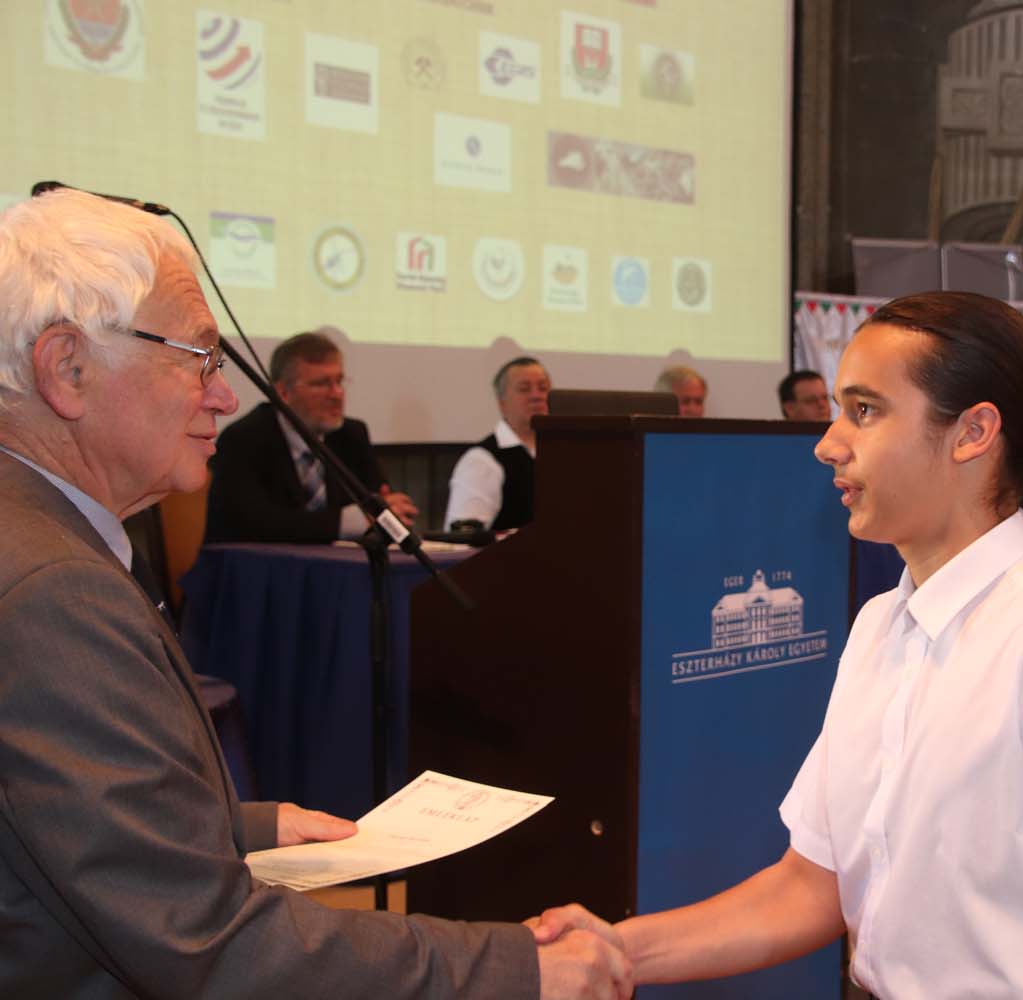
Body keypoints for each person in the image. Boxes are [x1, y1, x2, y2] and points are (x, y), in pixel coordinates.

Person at [0, 189, 629, 999]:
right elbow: (204, 942)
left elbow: (61, 820)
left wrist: (244, 826)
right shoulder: (55, 592)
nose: (225, 395)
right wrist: (515, 969)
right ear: (68, 368)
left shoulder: (42, 539)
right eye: (199, 358)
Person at [536, 291, 1023, 998]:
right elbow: (810, 885)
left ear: (973, 433)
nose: (828, 443)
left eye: (864, 411)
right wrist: (616, 951)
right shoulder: (882, 624)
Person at [203, 329, 419, 544]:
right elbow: (251, 524)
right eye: (322, 384)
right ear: (283, 393)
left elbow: (380, 507)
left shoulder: (352, 435)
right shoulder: (244, 440)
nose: (336, 394)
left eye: (339, 382)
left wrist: (389, 512)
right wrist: (347, 522)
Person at [444, 356, 550, 531]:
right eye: (524, 389)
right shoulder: (482, 461)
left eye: (543, 388)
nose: (537, 396)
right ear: (502, 403)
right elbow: (463, 537)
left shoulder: (562, 452)